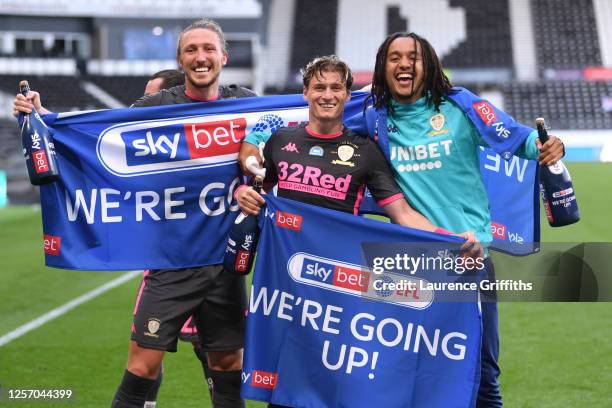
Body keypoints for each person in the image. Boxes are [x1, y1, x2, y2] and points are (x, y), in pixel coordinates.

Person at [13, 19, 255, 408]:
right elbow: (97, 137)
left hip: (224, 264)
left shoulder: (247, 104)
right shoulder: (156, 107)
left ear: (223, 56)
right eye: (191, 50)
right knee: (142, 367)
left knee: (229, 363)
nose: (200, 57)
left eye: (208, 49)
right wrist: (45, 118)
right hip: (170, 262)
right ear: (180, 59)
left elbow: (291, 134)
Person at [363, 32, 565, 408]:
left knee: (482, 373)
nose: (404, 63)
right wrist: (259, 135)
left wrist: (548, 145)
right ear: (382, 66)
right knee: (405, 370)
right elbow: (315, 112)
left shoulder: (460, 106)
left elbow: (517, 137)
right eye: (394, 57)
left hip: (468, 261)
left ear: (429, 64)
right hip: (405, 264)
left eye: (414, 57)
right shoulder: (372, 114)